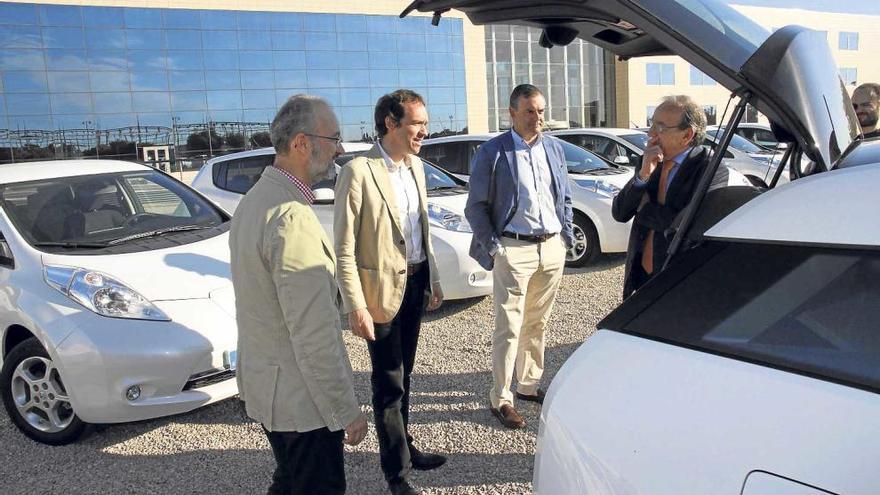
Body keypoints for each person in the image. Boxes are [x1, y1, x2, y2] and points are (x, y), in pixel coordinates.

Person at [229, 94, 367, 495]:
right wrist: (346, 411)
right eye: (335, 137)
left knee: (289, 482)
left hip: (272, 392)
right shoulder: (290, 217)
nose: (340, 148)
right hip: (300, 405)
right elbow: (314, 333)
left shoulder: (255, 200)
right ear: (302, 143)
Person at [334, 89, 446, 495]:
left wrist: (432, 278)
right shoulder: (357, 171)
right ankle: (396, 474)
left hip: (414, 283)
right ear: (390, 123)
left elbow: (420, 231)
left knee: (406, 374)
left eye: (425, 125)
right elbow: (343, 249)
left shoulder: (414, 166)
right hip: (379, 294)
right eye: (417, 124)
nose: (424, 132)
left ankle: (406, 446)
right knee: (388, 382)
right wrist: (355, 305)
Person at [464, 83, 573, 430]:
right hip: (513, 249)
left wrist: (565, 238)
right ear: (511, 113)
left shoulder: (554, 148)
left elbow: (564, 196)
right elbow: (475, 207)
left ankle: (528, 384)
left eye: (541, 111)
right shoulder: (493, 152)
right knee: (508, 327)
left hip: (551, 248)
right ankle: (501, 397)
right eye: (529, 111)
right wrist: (496, 249)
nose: (537, 117)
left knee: (537, 322)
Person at [612, 95, 734, 298]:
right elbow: (620, 212)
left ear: (687, 135)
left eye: (660, 128)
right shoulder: (649, 161)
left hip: (677, 279)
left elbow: (686, 228)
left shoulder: (711, 170)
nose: (650, 134)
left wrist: (645, 209)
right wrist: (643, 176)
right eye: (651, 125)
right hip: (640, 276)